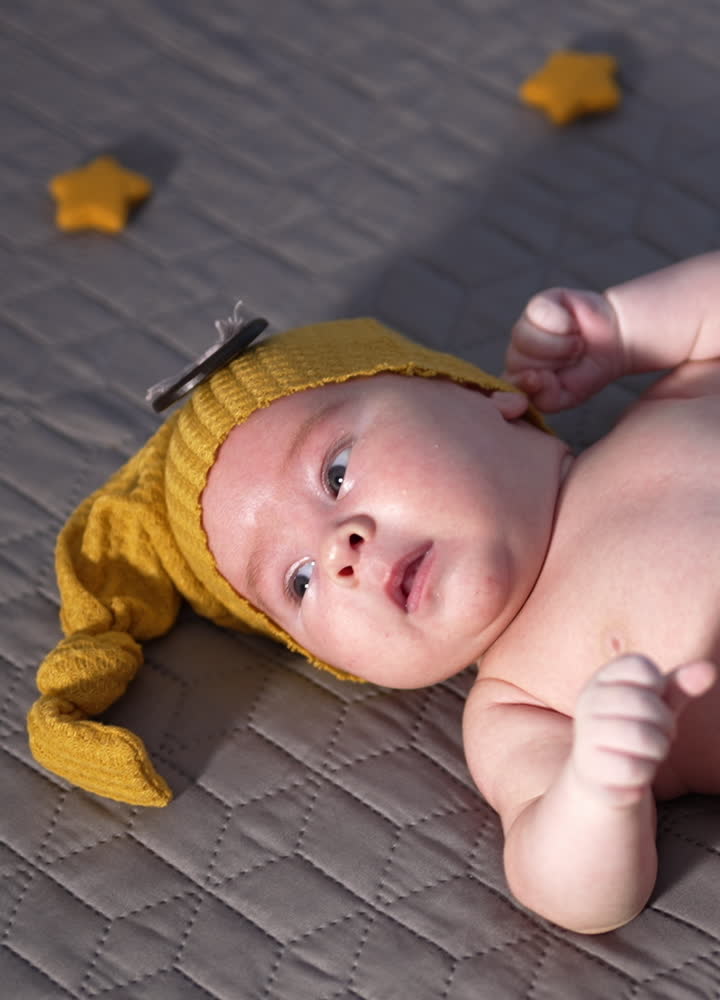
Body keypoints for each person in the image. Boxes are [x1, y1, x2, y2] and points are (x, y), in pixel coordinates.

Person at [28, 254, 720, 935]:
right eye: (299, 581)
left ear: (481, 397)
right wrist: (597, 787)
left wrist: (624, 327)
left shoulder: (677, 401)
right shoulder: (521, 706)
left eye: (335, 473)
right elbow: (571, 893)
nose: (338, 552)